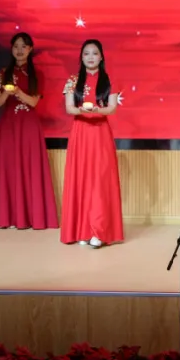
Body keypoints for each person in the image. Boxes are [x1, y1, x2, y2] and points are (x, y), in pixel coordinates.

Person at [0, 32, 59, 230]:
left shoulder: (37, 74)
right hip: (9, 125)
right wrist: (6, 91)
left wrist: (18, 92)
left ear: (30, 49)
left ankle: (30, 218)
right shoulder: (4, 73)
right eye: (16, 46)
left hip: (29, 125)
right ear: (11, 49)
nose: (19, 50)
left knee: (29, 167)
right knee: (9, 167)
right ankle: (8, 217)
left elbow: (33, 102)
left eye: (23, 46)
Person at [60, 39, 124, 247]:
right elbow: (69, 108)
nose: (90, 57)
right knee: (81, 179)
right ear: (81, 57)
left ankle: (99, 231)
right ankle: (83, 230)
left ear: (101, 56)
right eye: (86, 53)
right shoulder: (73, 80)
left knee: (99, 180)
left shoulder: (109, 79)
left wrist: (97, 110)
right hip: (80, 133)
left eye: (94, 53)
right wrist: (82, 111)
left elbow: (112, 108)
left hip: (100, 133)